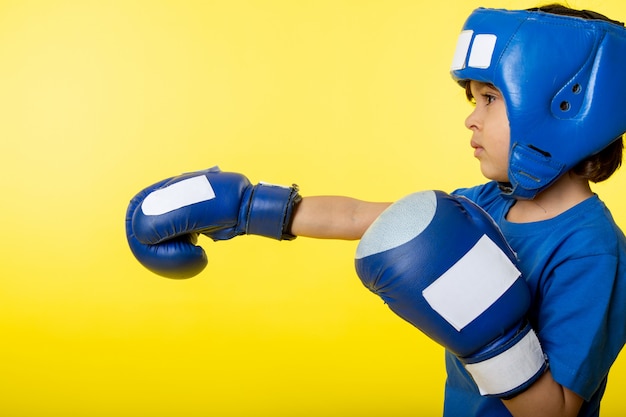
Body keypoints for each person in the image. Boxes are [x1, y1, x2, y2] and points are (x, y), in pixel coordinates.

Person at [125, 4, 626, 417]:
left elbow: (556, 412)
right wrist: (246, 207)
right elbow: (358, 216)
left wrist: (494, 339)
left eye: (490, 98)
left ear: (565, 106)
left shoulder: (591, 252)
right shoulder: (486, 203)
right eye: (472, 99)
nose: (470, 119)